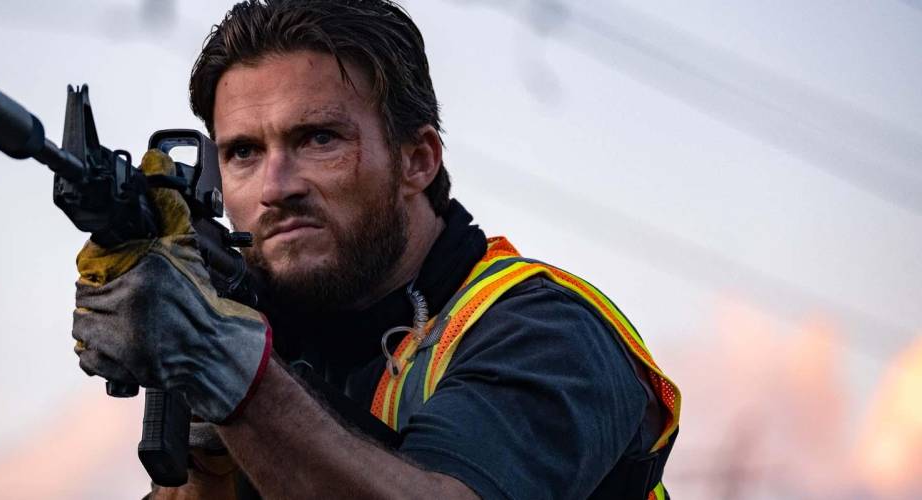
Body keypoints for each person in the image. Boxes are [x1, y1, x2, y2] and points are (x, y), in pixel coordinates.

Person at [71, 1, 681, 498]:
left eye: (318, 138)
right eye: (244, 152)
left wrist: (230, 375)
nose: (276, 187)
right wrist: (205, 464)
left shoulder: (549, 332)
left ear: (417, 160)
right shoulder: (278, 332)